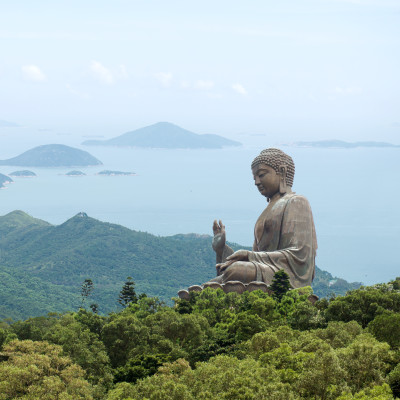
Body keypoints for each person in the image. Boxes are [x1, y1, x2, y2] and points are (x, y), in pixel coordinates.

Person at [206, 148, 317, 289]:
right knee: (208, 285)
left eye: (261, 175)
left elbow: (299, 255)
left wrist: (249, 256)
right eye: (254, 178)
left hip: (285, 275)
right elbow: (257, 257)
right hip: (265, 269)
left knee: (236, 271)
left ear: (282, 172)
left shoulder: (296, 202)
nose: (257, 182)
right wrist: (221, 250)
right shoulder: (268, 210)